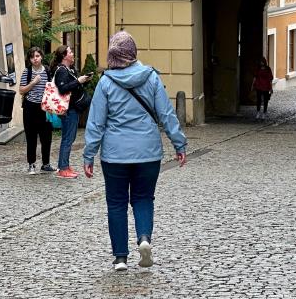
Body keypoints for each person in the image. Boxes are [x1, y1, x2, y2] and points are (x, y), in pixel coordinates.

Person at [83, 31, 187, 272]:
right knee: (143, 198)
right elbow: (166, 114)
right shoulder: (151, 78)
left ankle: (120, 258)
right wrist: (179, 143)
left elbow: (96, 123)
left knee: (116, 204)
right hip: (148, 153)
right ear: (134, 53)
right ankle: (144, 239)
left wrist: (89, 154)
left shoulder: (106, 83)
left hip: (115, 155)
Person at [51, 44, 92, 179]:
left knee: (70, 138)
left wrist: (83, 80)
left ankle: (65, 165)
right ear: (64, 56)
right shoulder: (61, 70)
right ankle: (63, 168)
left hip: (73, 108)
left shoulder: (70, 69)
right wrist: (78, 81)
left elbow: (73, 87)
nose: (73, 54)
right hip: (68, 110)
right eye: (70, 52)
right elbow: (63, 89)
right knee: (68, 139)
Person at [18, 46, 54, 174]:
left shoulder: (47, 71)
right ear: (30, 59)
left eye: (37, 56)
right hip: (30, 107)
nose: (35, 59)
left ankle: (46, 163)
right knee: (31, 137)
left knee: (46, 137)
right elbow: (21, 90)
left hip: (44, 107)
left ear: (42, 57)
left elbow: (51, 88)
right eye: (32, 57)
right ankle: (31, 164)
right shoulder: (27, 72)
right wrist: (33, 82)